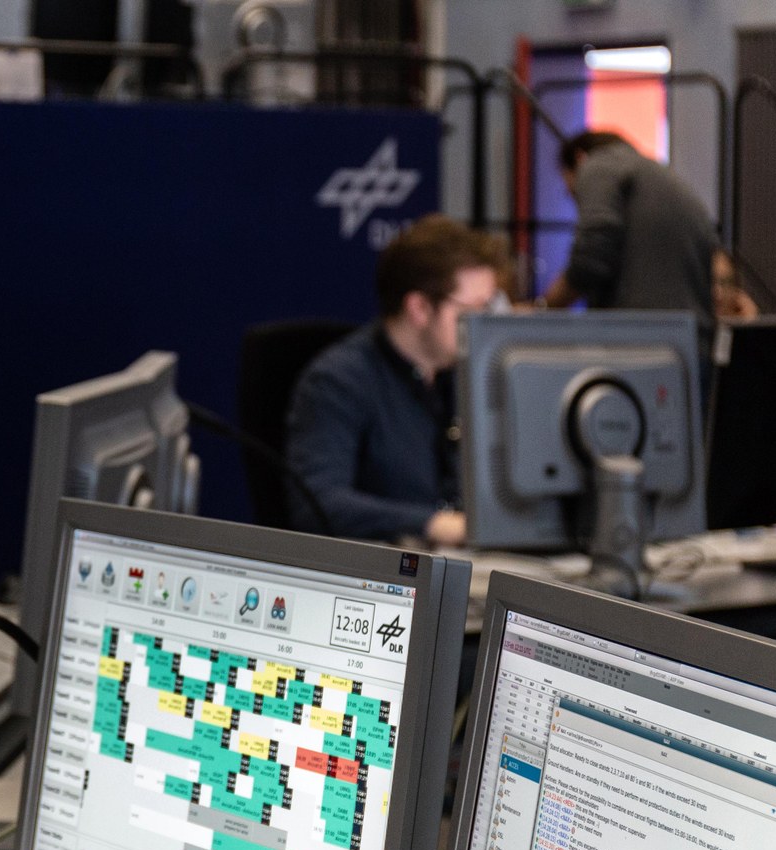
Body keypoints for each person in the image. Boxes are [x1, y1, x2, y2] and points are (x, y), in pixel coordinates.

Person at [284, 214, 505, 546]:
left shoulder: (464, 374)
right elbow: (318, 503)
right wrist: (435, 524)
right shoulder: (338, 381)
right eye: (474, 311)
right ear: (419, 308)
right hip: (383, 575)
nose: (484, 325)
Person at [539, 131, 719, 327]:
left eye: (572, 191)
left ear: (579, 158)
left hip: (644, 337)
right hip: (684, 336)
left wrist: (544, 307)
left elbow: (592, 251)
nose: (574, 198)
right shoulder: (660, 177)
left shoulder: (599, 165)